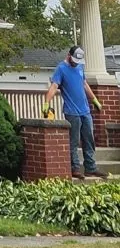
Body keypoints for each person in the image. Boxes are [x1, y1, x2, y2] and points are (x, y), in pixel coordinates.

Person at [43, 45, 107, 180]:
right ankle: (75, 168)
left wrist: (94, 100)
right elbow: (54, 86)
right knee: (73, 141)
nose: (75, 63)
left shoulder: (80, 67)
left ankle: (91, 168)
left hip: (85, 111)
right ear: (68, 55)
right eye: (74, 60)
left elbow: (84, 84)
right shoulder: (61, 69)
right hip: (71, 112)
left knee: (89, 140)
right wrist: (46, 103)